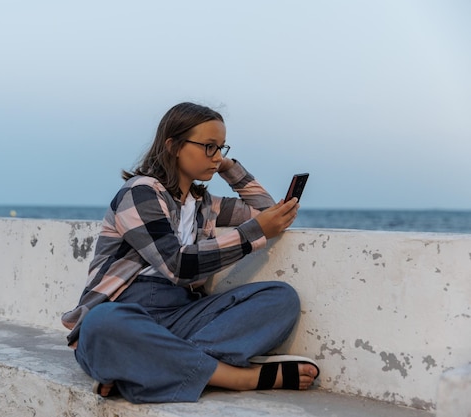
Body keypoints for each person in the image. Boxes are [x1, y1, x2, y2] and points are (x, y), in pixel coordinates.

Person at [61, 102, 319, 404]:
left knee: (280, 298)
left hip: (182, 316)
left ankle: (150, 366)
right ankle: (238, 377)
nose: (217, 156)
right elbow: (178, 264)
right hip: (127, 311)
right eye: (209, 147)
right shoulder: (141, 192)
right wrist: (253, 233)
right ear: (173, 145)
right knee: (101, 324)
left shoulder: (204, 204)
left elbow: (268, 212)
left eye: (221, 147)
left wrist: (228, 168)